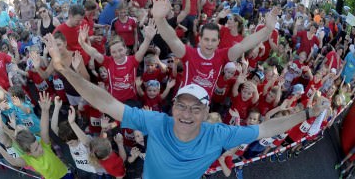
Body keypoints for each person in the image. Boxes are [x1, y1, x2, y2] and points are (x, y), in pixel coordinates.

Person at [43, 11, 329, 178]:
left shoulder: (219, 133)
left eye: (195, 109)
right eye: (182, 106)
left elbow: (267, 127)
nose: (186, 113)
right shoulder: (159, 122)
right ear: (173, 106)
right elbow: (105, 101)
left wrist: (305, 114)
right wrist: (64, 70)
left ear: (205, 113)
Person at [152, 0, 280, 97]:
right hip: (184, 103)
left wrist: (267, 29)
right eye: (206, 39)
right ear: (200, 39)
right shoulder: (189, 53)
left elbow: (244, 45)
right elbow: (172, 38)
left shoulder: (221, 55)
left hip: (202, 109)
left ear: (218, 41)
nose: (209, 43)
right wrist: (159, 19)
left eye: (213, 40)